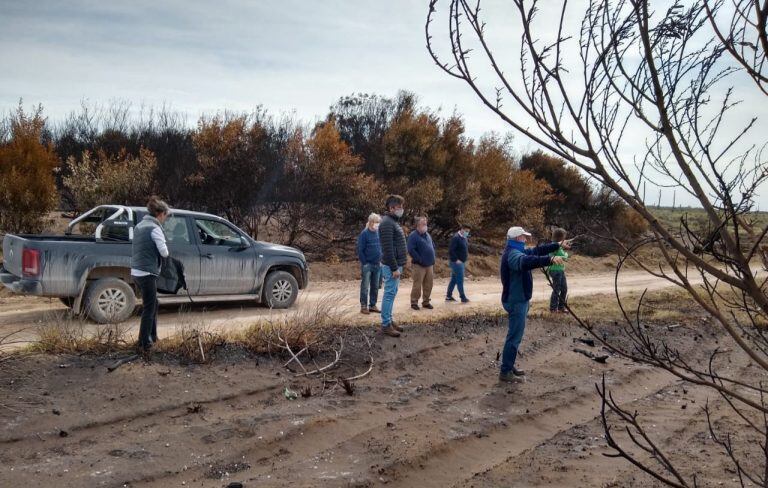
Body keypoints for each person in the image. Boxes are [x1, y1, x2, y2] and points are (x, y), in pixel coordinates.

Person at [498, 226, 569, 382]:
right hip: (516, 301)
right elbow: (526, 261)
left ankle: (508, 365)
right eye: (524, 237)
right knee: (514, 337)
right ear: (517, 238)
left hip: (519, 300)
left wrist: (557, 245)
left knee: (515, 336)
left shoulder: (516, 249)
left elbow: (536, 251)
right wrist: (549, 259)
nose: (526, 239)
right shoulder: (513, 254)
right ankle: (505, 372)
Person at [130, 196, 171, 351]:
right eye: (165, 216)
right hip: (147, 273)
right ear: (160, 214)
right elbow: (164, 252)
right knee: (149, 307)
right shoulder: (155, 228)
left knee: (154, 304)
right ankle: (143, 343)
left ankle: (152, 337)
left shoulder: (140, 226)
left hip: (136, 271)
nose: (165, 219)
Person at [378, 194, 408, 337]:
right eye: (399, 207)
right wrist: (394, 268)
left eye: (402, 207)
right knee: (389, 294)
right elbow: (387, 249)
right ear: (391, 208)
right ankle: (385, 325)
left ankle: (389, 320)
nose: (401, 209)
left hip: (396, 265)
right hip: (391, 266)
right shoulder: (387, 223)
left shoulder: (393, 222)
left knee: (392, 293)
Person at [407, 216, 436, 311]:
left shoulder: (427, 234)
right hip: (419, 265)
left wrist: (433, 257)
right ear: (418, 225)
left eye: (426, 224)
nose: (425, 225)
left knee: (429, 284)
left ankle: (426, 302)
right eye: (423, 224)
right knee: (417, 284)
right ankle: (414, 302)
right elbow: (411, 249)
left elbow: (433, 246)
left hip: (430, 264)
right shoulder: (413, 236)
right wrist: (419, 259)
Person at [357, 213, 383, 315]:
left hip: (378, 264)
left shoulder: (378, 233)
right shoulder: (364, 234)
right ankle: (363, 306)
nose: (377, 224)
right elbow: (360, 250)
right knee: (365, 286)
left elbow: (381, 247)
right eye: (376, 222)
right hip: (367, 265)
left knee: (375, 286)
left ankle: (372, 305)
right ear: (371, 222)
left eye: (378, 222)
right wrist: (365, 263)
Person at [446, 224, 471, 303]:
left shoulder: (464, 238)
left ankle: (448, 296)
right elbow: (451, 250)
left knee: (454, 279)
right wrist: (456, 260)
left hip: (461, 262)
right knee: (460, 280)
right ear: (462, 229)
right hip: (457, 263)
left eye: (468, 231)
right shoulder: (456, 238)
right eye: (466, 231)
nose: (467, 233)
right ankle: (463, 297)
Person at [547, 227, 569, 313]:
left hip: (559, 270)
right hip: (556, 271)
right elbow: (565, 257)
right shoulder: (555, 246)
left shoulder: (556, 246)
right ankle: (553, 309)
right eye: (564, 237)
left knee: (564, 289)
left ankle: (561, 307)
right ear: (561, 237)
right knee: (557, 289)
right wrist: (566, 253)